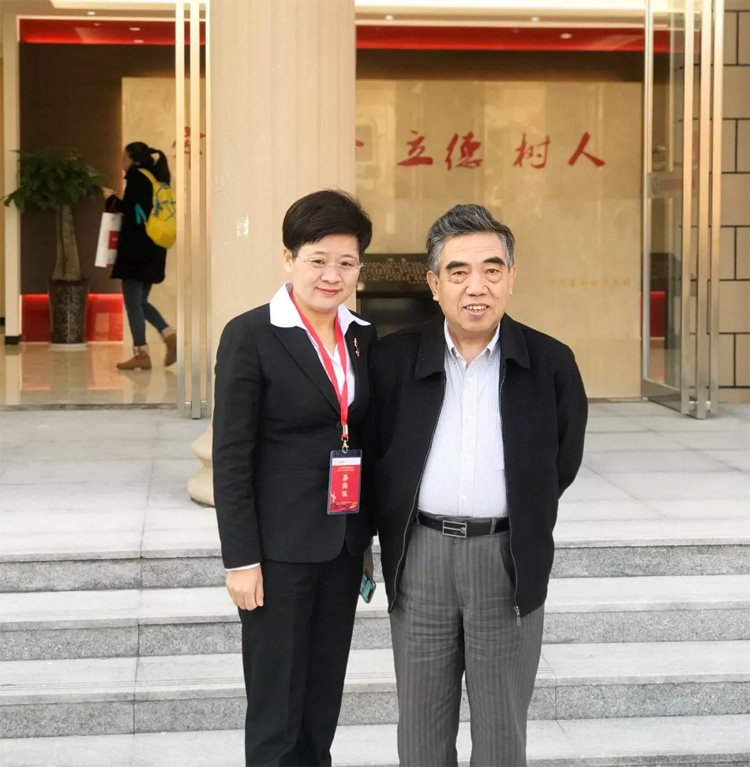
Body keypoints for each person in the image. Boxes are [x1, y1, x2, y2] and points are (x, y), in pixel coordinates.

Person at [367, 204, 588, 767]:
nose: (476, 287)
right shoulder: (392, 360)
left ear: (511, 278)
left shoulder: (551, 363)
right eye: (459, 272)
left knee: (501, 732)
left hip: (506, 559)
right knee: (420, 729)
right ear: (433, 283)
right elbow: (376, 456)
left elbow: (560, 463)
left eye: (492, 270)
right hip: (420, 558)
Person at [212, 190, 375, 767]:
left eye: (347, 263)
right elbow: (231, 455)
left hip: (341, 544)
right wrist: (241, 559)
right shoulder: (251, 334)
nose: (333, 275)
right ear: (288, 258)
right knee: (276, 712)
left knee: (321, 702)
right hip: (277, 553)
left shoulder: (361, 335)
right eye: (318, 260)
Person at [104, 142, 176, 371]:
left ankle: (141, 353)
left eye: (123, 159)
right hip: (154, 248)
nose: (121, 164)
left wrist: (111, 199)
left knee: (133, 303)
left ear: (132, 160)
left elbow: (130, 210)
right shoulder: (156, 177)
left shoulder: (136, 177)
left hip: (136, 252)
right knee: (141, 301)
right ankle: (169, 336)